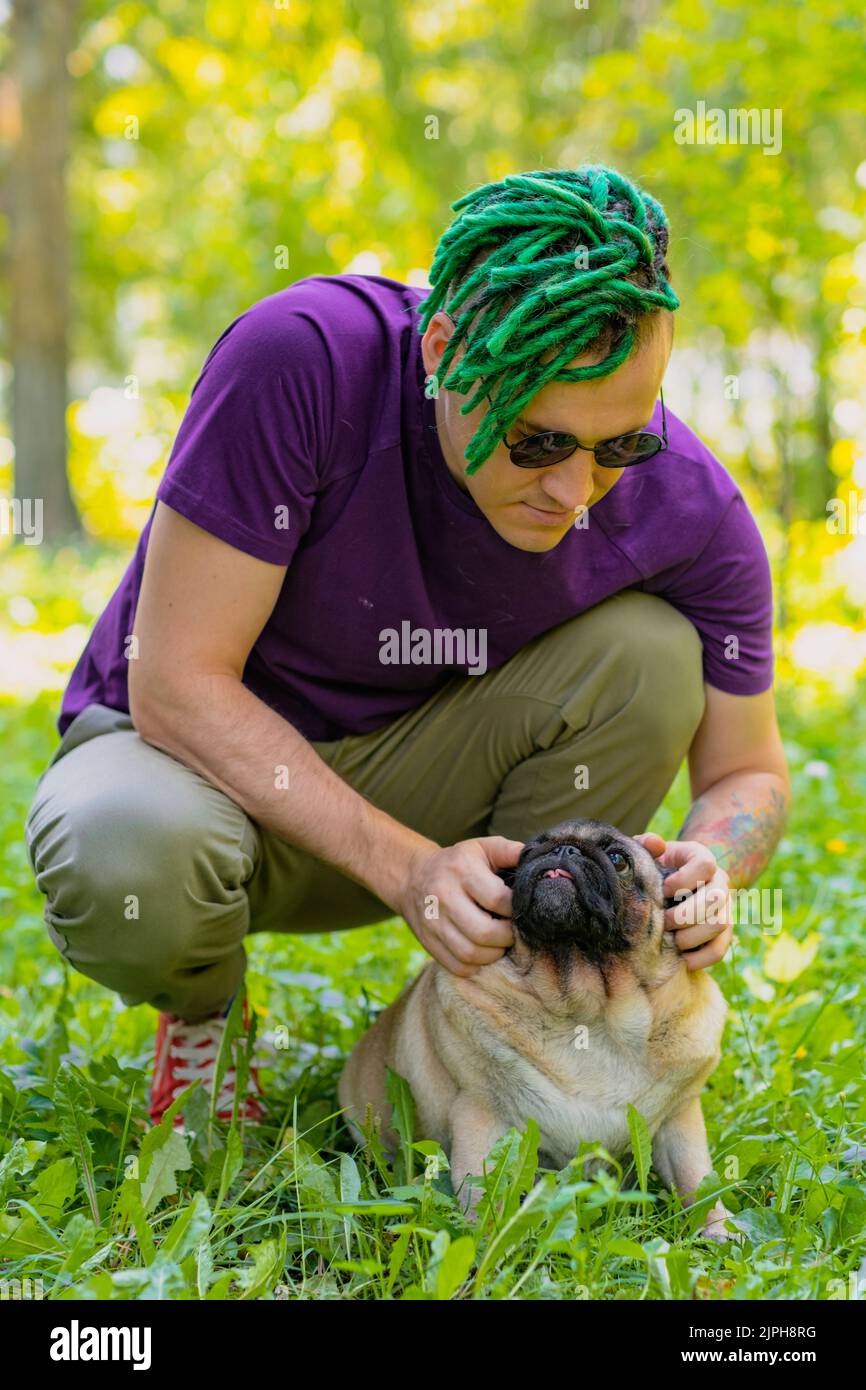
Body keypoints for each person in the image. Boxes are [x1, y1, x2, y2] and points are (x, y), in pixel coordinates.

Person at [25, 165, 790, 1127]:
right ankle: (205, 1011)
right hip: (198, 776)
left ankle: (489, 997)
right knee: (120, 845)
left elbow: (750, 770)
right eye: (539, 442)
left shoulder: (690, 507)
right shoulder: (301, 359)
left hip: (434, 781)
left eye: (622, 445)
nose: (579, 489)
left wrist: (711, 867)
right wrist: (407, 870)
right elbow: (175, 688)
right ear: (439, 350)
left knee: (652, 652)